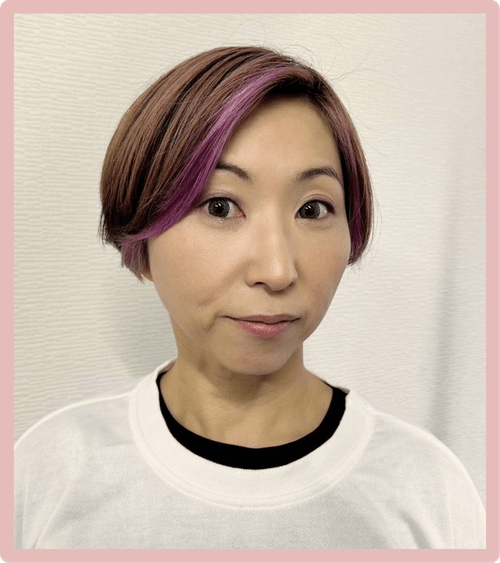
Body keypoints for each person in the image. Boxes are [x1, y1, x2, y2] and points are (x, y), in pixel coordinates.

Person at [14, 45, 485, 549]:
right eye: (220, 206)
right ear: (143, 239)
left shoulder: (427, 489)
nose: (277, 271)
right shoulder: (50, 471)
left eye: (312, 209)